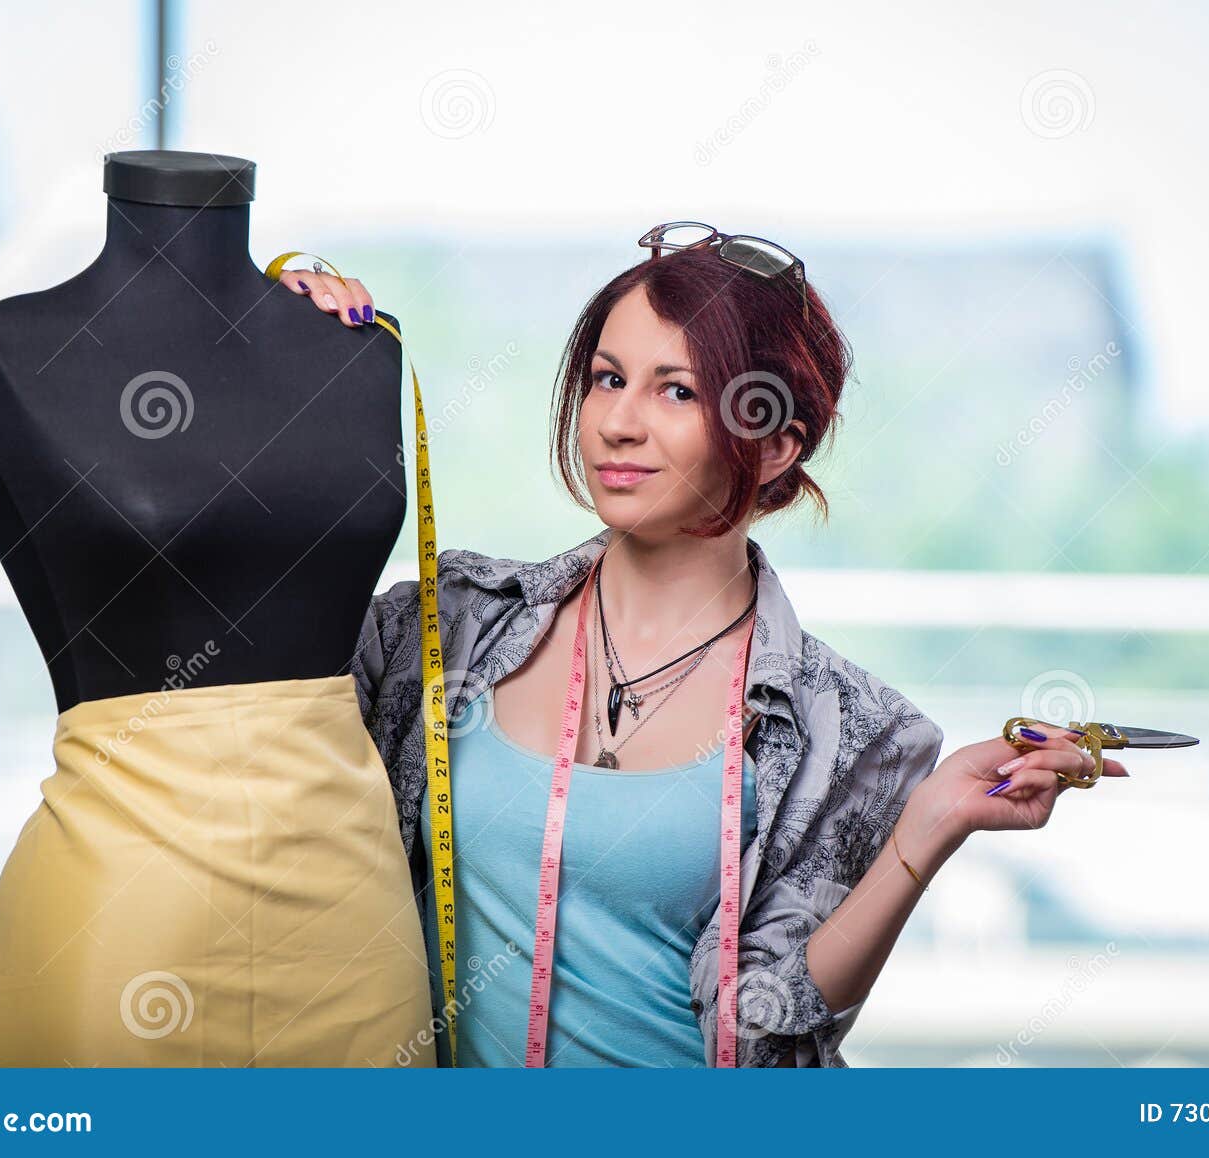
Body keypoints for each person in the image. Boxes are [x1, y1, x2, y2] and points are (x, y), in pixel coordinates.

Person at [276, 225, 1128, 1067]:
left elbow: (766, 1034)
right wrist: (283, 360)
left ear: (774, 444)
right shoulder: (448, 624)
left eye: (676, 392)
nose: (618, 422)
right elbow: (241, 688)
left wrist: (929, 829)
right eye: (608, 379)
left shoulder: (850, 733)